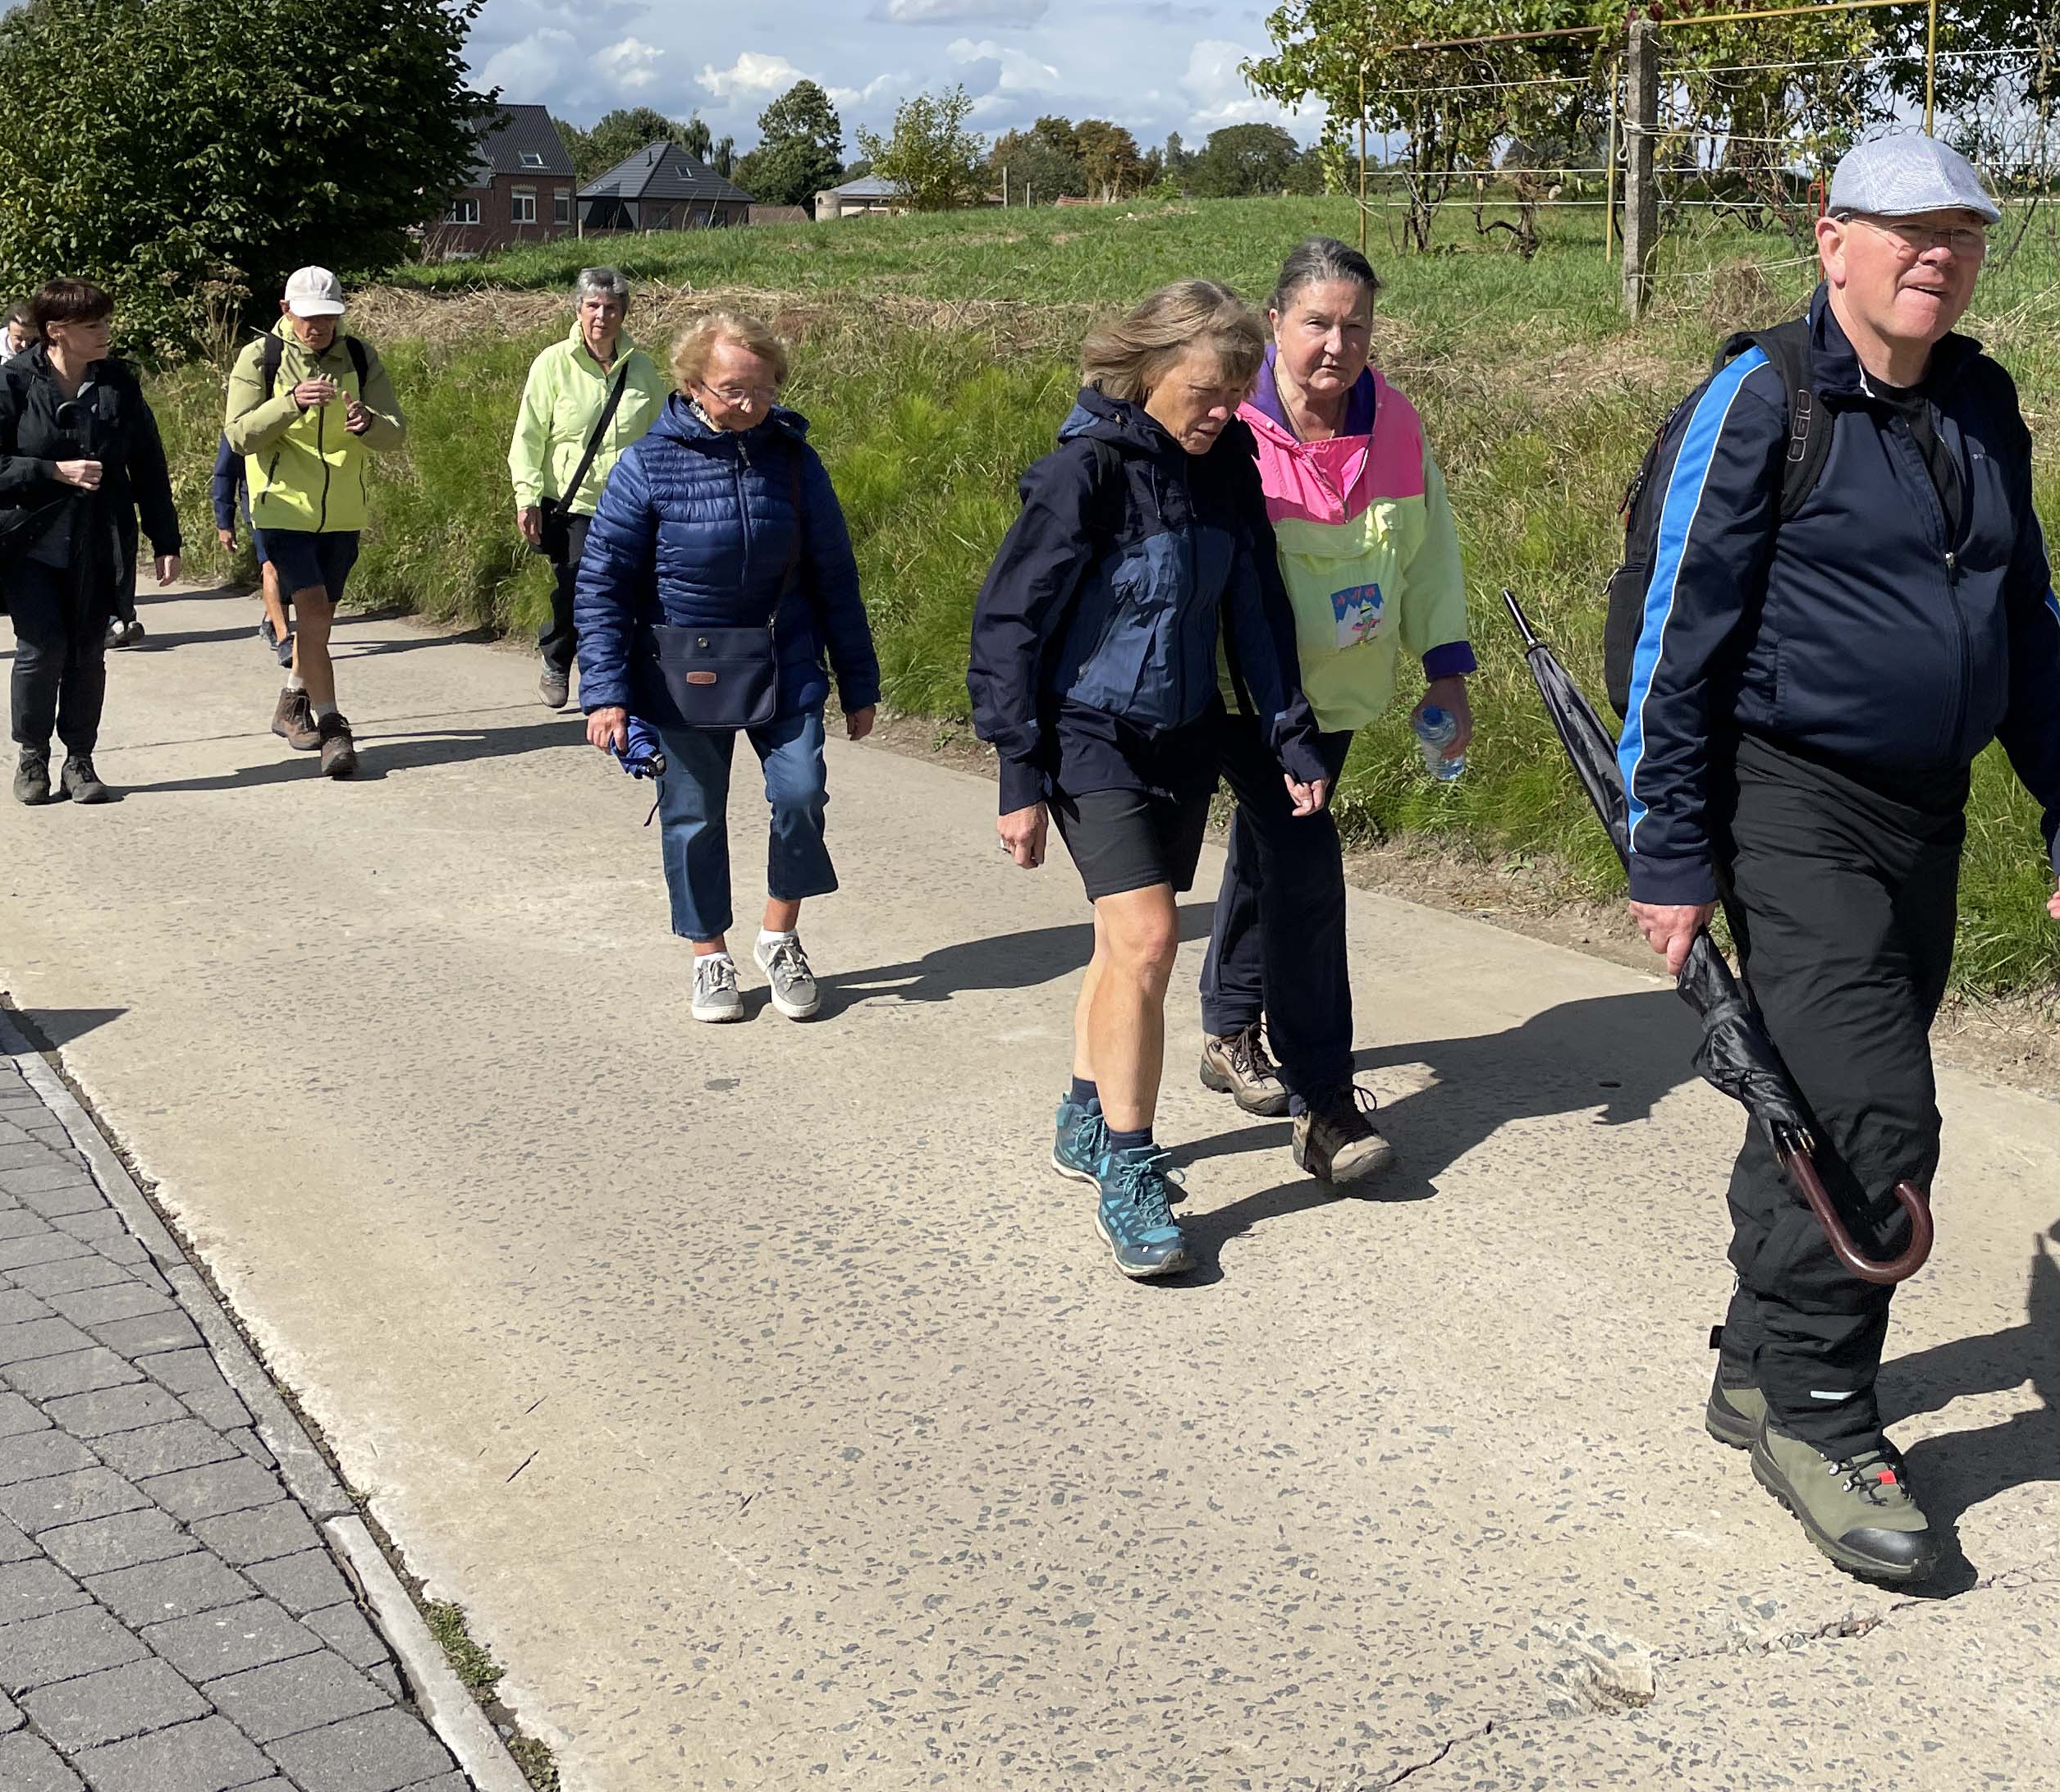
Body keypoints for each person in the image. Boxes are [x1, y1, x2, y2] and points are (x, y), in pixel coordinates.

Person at [1615, 132, 2060, 1591]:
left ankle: (1760, 1367)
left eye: (1958, 230)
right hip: (1788, 802)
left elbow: (2021, 614)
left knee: (1821, 1098)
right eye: (1903, 227)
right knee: (1880, 1118)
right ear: (1829, 237)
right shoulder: (1762, 397)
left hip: (1925, 809)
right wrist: (1668, 845)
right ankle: (1827, 1415)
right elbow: (1674, 633)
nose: (1933, 254)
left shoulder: (1979, 397)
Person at [968, 281, 1331, 1282]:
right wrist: (1017, 768)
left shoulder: (1231, 468)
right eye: (1208, 391)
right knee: (1150, 939)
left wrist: (1290, 734)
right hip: (1090, 734)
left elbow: (1254, 610)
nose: (1226, 411)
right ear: (1146, 374)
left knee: (1121, 944)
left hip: (1185, 735)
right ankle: (1131, 1167)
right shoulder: (1084, 473)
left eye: (1237, 392)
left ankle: (1084, 1117)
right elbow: (1010, 625)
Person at [1193, 235, 1472, 1186]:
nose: (1335, 344)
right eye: (1316, 322)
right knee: (1305, 875)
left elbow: (1429, 553)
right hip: (1236, 693)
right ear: (1275, 323)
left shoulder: (1396, 421)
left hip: (1338, 695)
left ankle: (1230, 1027)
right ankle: (1325, 1102)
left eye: (1355, 325)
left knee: (1272, 852)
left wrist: (1445, 669)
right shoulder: (1223, 419)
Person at [577, 309, 881, 1025]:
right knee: (692, 817)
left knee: (802, 795)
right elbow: (603, 585)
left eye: (761, 389)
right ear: (691, 387)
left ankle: (779, 936)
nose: (749, 404)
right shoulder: (647, 465)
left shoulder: (796, 462)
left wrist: (860, 682)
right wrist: (607, 695)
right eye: (731, 390)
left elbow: (836, 575)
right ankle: (708, 955)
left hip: (787, 661)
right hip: (681, 672)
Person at [0, 277, 182, 806]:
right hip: (27, 543)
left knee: (87, 652)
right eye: (93, 325)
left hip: (98, 540)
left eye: (105, 322)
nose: (105, 333)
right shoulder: (10, 384)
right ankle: (32, 756)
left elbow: (148, 463)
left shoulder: (117, 383)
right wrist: (51, 470)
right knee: (40, 650)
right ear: (56, 332)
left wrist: (164, 538)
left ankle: (80, 760)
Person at [222, 267, 405, 780]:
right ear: (286, 311)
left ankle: (291, 701)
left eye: (327, 317)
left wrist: (368, 423)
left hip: (344, 510)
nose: (318, 327)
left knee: (320, 619)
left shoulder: (360, 356)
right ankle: (333, 727)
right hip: (281, 508)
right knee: (311, 608)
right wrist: (290, 403)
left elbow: (396, 432)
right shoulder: (261, 358)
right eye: (308, 317)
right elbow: (238, 436)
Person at [511, 267, 667, 711]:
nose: (602, 315)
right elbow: (529, 435)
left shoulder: (640, 368)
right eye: (593, 306)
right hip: (573, 504)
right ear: (578, 310)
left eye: (612, 308)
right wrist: (528, 496)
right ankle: (558, 656)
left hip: (632, 505)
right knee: (581, 586)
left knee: (633, 590)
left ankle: (624, 677)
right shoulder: (553, 363)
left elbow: (659, 432)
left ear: (624, 314)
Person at [210, 437, 291, 671]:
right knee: (271, 565)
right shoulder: (244, 417)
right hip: (260, 504)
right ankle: (283, 634)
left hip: (303, 505)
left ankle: (271, 618)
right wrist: (224, 522)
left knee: (292, 567)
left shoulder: (303, 410)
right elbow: (225, 471)